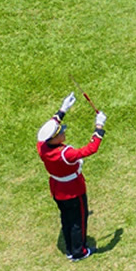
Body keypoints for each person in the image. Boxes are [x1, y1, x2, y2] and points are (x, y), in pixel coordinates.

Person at [37, 93, 106, 262]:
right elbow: (91, 148)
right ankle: (78, 252)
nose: (64, 134)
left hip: (57, 188)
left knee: (66, 219)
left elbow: (51, 126)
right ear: (55, 138)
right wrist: (99, 127)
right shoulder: (65, 153)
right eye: (61, 133)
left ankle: (70, 247)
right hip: (73, 190)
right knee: (78, 221)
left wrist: (63, 109)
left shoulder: (42, 146)